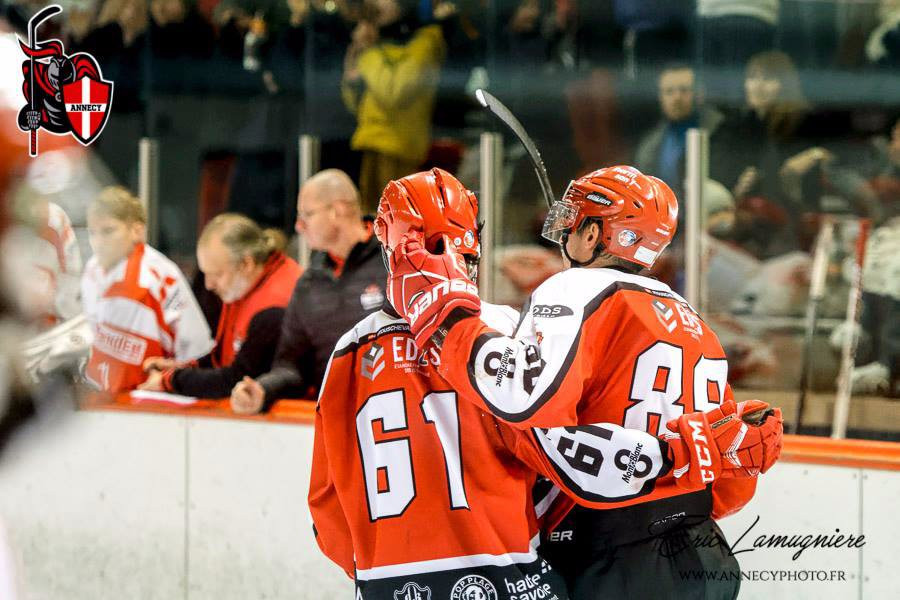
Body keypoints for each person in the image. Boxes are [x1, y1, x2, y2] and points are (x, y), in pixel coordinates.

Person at [310, 168, 768, 599]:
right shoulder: (691, 319)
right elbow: (730, 479)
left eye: (575, 220)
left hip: (595, 553)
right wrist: (682, 455)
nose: (564, 232)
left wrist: (445, 315)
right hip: (693, 547)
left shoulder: (348, 351)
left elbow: (528, 403)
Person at [230, 169, 386, 414]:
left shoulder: (396, 261)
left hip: (399, 414)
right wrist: (264, 389)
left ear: (337, 211)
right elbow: (291, 366)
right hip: (336, 419)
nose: (298, 226)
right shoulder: (309, 283)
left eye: (307, 214)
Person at [140, 213, 301, 397]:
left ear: (246, 264)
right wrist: (182, 367)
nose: (208, 285)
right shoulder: (243, 285)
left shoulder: (275, 305)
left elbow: (237, 380)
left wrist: (170, 380)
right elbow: (223, 358)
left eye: (216, 274)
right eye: (206, 274)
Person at [80, 186, 213, 393]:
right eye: (92, 233)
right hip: (102, 397)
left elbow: (196, 349)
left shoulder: (161, 275)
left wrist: (172, 381)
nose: (98, 242)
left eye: (108, 231)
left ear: (137, 231)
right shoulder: (91, 271)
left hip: (151, 397)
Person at [341, 0, 445, 210]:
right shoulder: (380, 43)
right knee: (370, 217)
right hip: (370, 143)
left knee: (396, 218)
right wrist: (353, 71)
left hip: (400, 150)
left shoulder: (425, 42)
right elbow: (355, 103)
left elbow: (393, 92)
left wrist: (368, 53)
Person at [634, 63, 724, 197]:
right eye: (669, 91)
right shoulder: (650, 145)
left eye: (684, 90)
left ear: (700, 93)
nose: (677, 98)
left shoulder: (722, 131)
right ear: (660, 97)